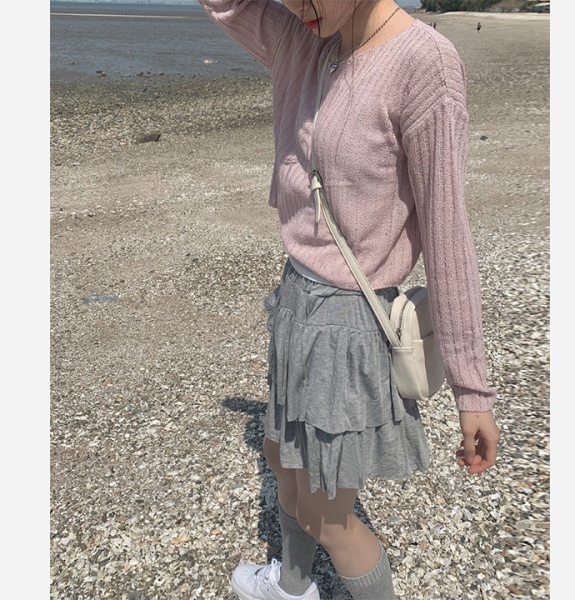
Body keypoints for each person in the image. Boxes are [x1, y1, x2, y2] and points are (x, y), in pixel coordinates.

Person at [197, 2, 500, 599]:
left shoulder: (425, 65)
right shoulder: (307, 38)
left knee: (328, 516)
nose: (295, 6)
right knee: (281, 456)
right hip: (296, 299)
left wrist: (472, 390)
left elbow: (447, 232)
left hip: (348, 322)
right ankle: (292, 586)